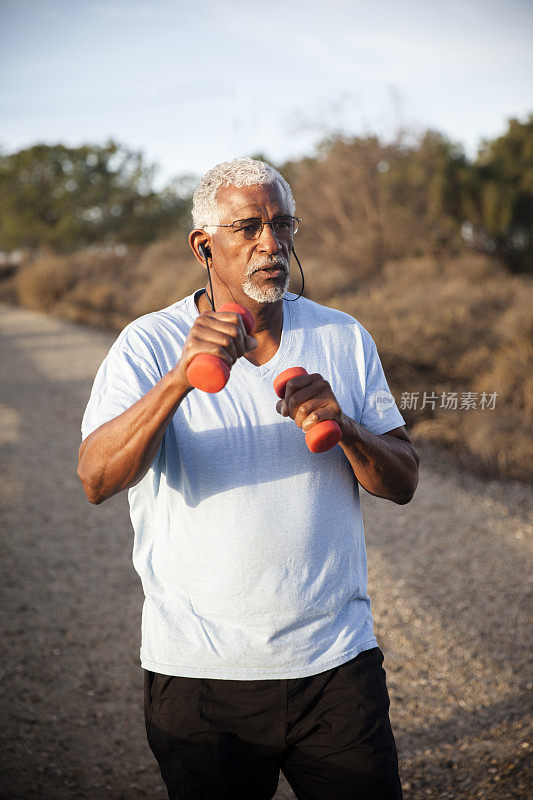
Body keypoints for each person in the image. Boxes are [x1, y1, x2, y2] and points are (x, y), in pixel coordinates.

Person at [77, 157, 419, 800]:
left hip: (336, 668)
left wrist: (343, 426)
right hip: (201, 676)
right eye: (249, 227)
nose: (273, 243)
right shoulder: (147, 344)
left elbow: (402, 480)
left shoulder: (342, 336)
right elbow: (96, 477)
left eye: (283, 224)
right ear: (203, 245)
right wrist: (180, 379)